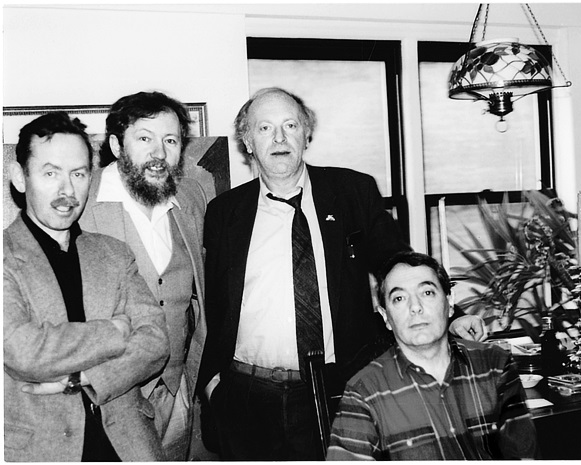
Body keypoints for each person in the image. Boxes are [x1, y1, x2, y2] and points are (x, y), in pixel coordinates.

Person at [198, 87, 486, 460]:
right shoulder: (224, 213)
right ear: (248, 142)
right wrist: (214, 386)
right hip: (247, 398)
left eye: (290, 125)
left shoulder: (351, 192)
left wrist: (451, 316)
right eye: (265, 128)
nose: (280, 138)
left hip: (339, 389)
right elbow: (212, 302)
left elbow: (397, 261)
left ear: (306, 134)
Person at [4, 111, 170, 461]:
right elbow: (22, 350)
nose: (67, 190)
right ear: (20, 177)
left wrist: (83, 378)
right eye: (51, 173)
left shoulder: (114, 253)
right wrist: (115, 331)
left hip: (127, 447)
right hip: (40, 450)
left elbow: (155, 342)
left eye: (78, 174)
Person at [78, 91, 208, 460]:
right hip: (105, 399)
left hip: (178, 392)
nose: (159, 153)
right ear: (116, 146)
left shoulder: (192, 197)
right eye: (144, 138)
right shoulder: (81, 201)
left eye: (171, 141)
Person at [327, 251, 539, 460]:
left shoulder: (494, 364)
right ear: (385, 317)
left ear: (450, 303)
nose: (415, 307)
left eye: (427, 293)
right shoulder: (363, 392)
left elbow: (524, 456)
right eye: (399, 298)